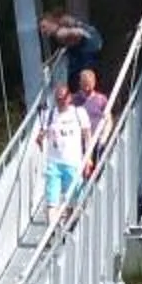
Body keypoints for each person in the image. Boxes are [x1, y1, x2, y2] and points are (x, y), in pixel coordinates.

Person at [36, 85, 91, 220]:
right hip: (54, 163)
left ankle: (71, 225)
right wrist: (40, 139)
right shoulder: (49, 114)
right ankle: (52, 234)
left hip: (73, 162)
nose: (61, 102)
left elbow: (87, 135)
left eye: (63, 99)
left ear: (69, 98)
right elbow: (41, 134)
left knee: (73, 200)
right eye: (58, 99)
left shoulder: (79, 113)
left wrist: (88, 157)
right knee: (51, 201)